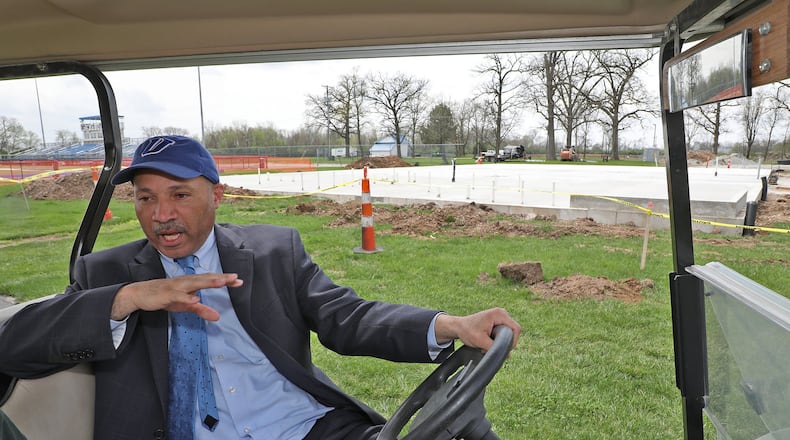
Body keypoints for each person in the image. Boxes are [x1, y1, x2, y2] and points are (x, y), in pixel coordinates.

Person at [0, 135, 521, 439]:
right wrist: (127, 299)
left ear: (216, 196)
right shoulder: (105, 274)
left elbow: (348, 317)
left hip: (304, 427)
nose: (161, 215)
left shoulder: (274, 251)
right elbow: (14, 344)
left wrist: (447, 325)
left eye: (179, 195)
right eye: (145, 198)